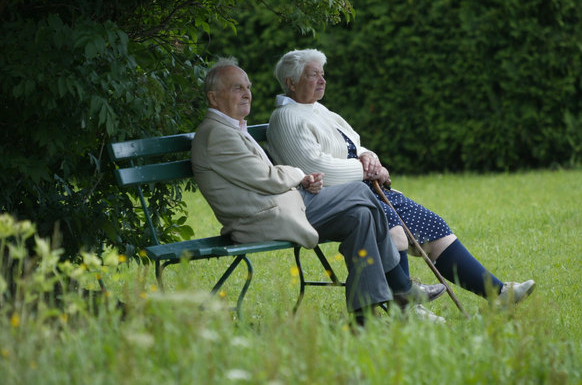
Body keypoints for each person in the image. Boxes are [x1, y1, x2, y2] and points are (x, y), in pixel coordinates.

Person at [266, 49, 536, 306]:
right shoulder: (287, 117)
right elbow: (315, 167)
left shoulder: (319, 110)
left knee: (433, 226)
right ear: (291, 82)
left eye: (323, 73)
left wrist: (369, 157)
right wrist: (367, 170)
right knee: (394, 229)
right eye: (313, 75)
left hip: (363, 190)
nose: (322, 80)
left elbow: (355, 143)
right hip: (335, 201)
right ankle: (408, 307)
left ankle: (498, 293)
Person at [190, 57, 447, 324]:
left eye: (248, 87)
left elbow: (260, 179)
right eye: (237, 88)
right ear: (213, 98)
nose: (247, 94)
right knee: (360, 193)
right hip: (260, 219)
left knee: (360, 216)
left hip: (281, 207)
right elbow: (267, 178)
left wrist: (300, 182)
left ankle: (363, 318)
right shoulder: (217, 134)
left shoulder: (231, 128)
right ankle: (401, 288)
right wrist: (300, 175)